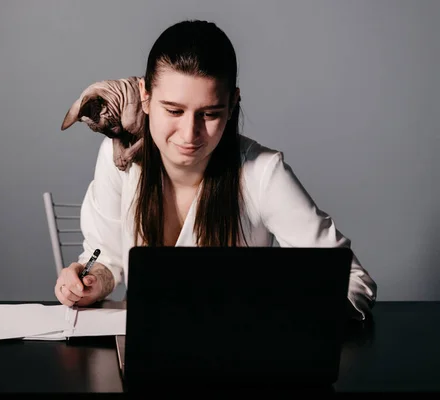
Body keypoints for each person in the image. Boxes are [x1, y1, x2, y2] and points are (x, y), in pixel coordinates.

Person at [54, 19, 377, 321]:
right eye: (173, 110)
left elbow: (351, 280)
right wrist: (91, 280)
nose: (189, 134)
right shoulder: (117, 161)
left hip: (239, 363)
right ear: (146, 96)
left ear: (233, 103)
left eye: (209, 114)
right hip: (146, 356)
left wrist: (286, 321)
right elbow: (107, 255)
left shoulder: (263, 172)